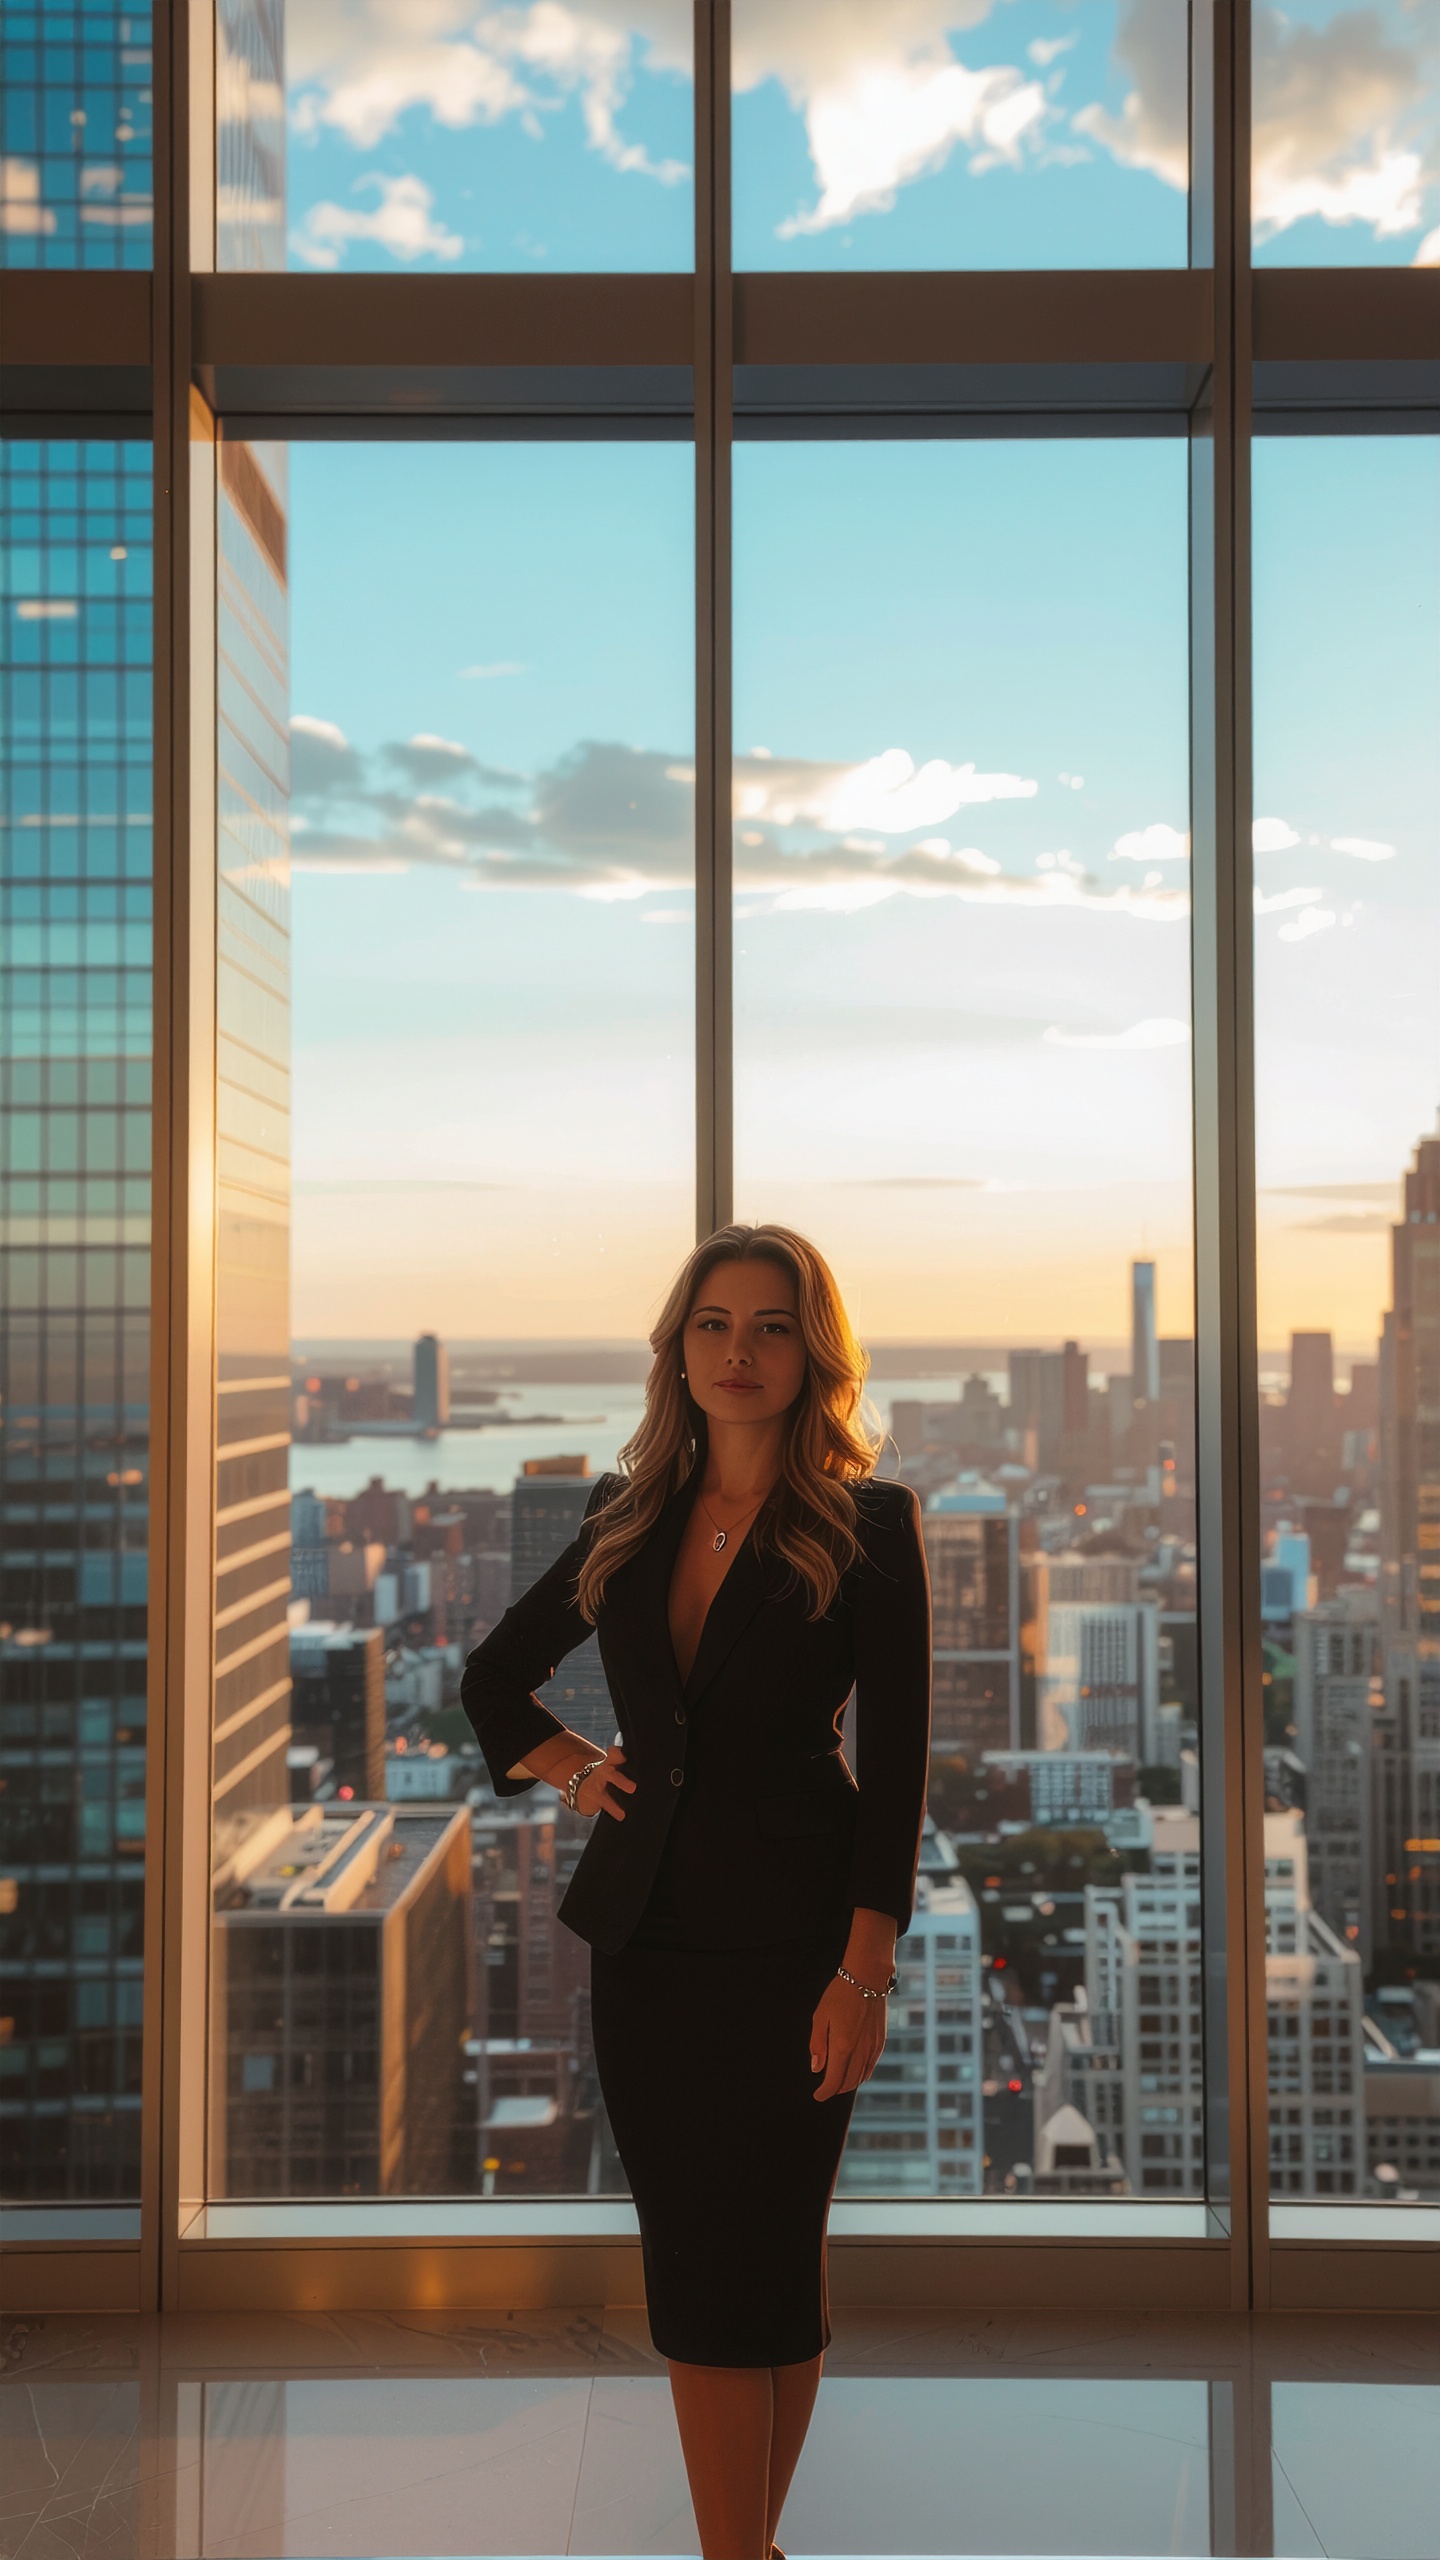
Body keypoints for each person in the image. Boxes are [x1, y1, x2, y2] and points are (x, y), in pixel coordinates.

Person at [462, 1222, 932, 2560]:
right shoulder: (628, 1514)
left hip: (797, 1947)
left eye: (771, 1325)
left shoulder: (872, 1524)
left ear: (809, 1353)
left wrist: (864, 1968)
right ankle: (748, 2553)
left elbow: (895, 1768)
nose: (740, 1350)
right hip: (650, 1945)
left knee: (774, 2257)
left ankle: (739, 2552)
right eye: (715, 1324)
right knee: (693, 2260)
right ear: (679, 1349)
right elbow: (496, 1676)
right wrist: (564, 1765)